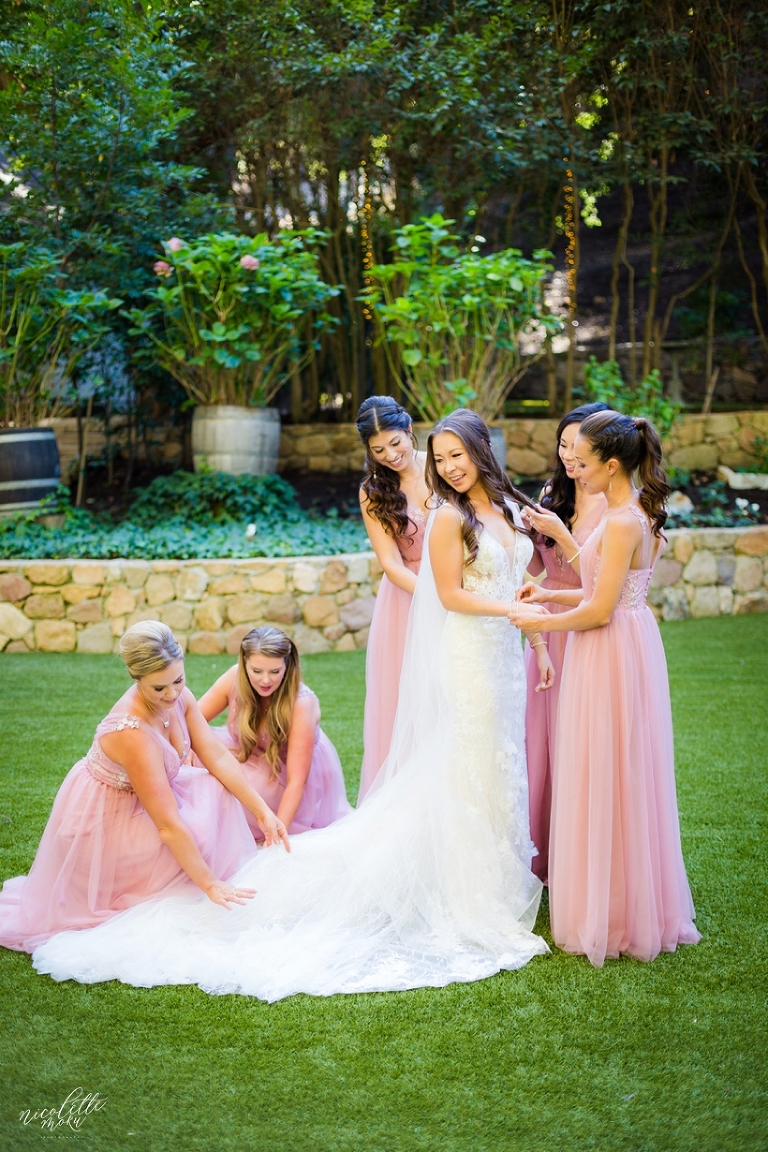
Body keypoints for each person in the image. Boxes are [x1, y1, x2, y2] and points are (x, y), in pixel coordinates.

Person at [32, 412, 552, 1001]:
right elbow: (447, 591)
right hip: (468, 651)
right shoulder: (445, 515)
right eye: (442, 458)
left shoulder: (504, 508)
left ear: (480, 448)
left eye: (456, 454)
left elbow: (518, 576)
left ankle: (490, 877)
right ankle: (463, 888)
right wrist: (508, 612)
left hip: (502, 655)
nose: (449, 466)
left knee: (494, 763)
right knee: (464, 762)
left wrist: (536, 624)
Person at [514, 410, 701, 966]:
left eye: (584, 461)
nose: (575, 470)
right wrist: (549, 596)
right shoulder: (631, 510)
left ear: (612, 464)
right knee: (611, 770)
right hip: (621, 639)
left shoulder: (622, 521)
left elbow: (599, 610)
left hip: (611, 647)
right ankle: (619, 898)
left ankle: (616, 912)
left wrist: (538, 622)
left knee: (608, 770)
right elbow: (602, 591)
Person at [0, 622, 289, 954]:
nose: (172, 694)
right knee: (192, 832)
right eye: (159, 688)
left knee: (216, 789)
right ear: (136, 678)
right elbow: (168, 826)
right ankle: (193, 881)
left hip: (149, 796)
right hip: (107, 821)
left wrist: (262, 812)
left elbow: (217, 755)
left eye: (178, 680)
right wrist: (209, 884)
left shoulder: (179, 696)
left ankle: (205, 875)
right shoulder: (133, 733)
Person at [520, 402, 610, 883]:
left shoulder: (614, 503)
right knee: (540, 742)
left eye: (579, 447)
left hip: (585, 625)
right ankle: (542, 852)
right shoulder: (553, 492)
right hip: (547, 623)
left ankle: (582, 857)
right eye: (563, 444)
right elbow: (538, 565)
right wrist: (524, 537)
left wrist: (560, 533)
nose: (570, 455)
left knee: (581, 742)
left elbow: (601, 583)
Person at [198, 626, 352, 838]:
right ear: (244, 662)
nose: (265, 680)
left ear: (287, 666)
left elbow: (297, 782)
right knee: (195, 755)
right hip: (250, 753)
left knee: (224, 784)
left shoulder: (301, 704)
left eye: (275, 672)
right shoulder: (234, 677)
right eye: (257, 671)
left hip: (285, 775)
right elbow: (192, 721)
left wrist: (278, 834)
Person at [356, 396, 430, 802]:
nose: (390, 455)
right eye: (378, 450)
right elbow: (391, 563)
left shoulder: (442, 466)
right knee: (407, 699)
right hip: (407, 598)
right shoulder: (373, 491)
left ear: (409, 429)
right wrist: (436, 598)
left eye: (395, 443)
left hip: (460, 586)